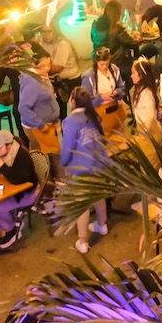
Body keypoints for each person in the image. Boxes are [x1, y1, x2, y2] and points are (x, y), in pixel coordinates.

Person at [60, 88, 111, 255]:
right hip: (99, 165)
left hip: (81, 168)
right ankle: (102, 225)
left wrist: (63, 163)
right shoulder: (94, 116)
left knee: (82, 203)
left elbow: (67, 148)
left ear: (73, 102)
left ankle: (82, 241)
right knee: (98, 195)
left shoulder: (70, 121)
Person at [0, 129, 41, 245]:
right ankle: (13, 226)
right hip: (13, 191)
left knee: (0, 208)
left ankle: (11, 231)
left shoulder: (21, 156)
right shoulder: (1, 154)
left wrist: (1, 165)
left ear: (9, 145)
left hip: (28, 193)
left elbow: (18, 180)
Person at [37, 29, 81, 105]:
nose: (46, 34)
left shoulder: (62, 43)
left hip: (70, 81)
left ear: (55, 30)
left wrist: (38, 69)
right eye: (43, 31)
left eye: (49, 31)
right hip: (55, 80)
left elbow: (57, 68)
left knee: (72, 106)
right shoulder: (42, 43)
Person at [17, 62, 62, 132]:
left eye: (49, 65)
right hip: (38, 128)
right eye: (43, 66)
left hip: (49, 124)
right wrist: (40, 125)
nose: (47, 68)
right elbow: (23, 108)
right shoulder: (32, 83)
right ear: (34, 64)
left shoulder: (42, 78)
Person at [129, 61, 162, 138]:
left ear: (141, 76)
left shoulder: (146, 93)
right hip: (142, 126)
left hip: (148, 129)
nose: (131, 76)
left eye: (134, 73)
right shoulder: (139, 89)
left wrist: (145, 131)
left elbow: (150, 115)